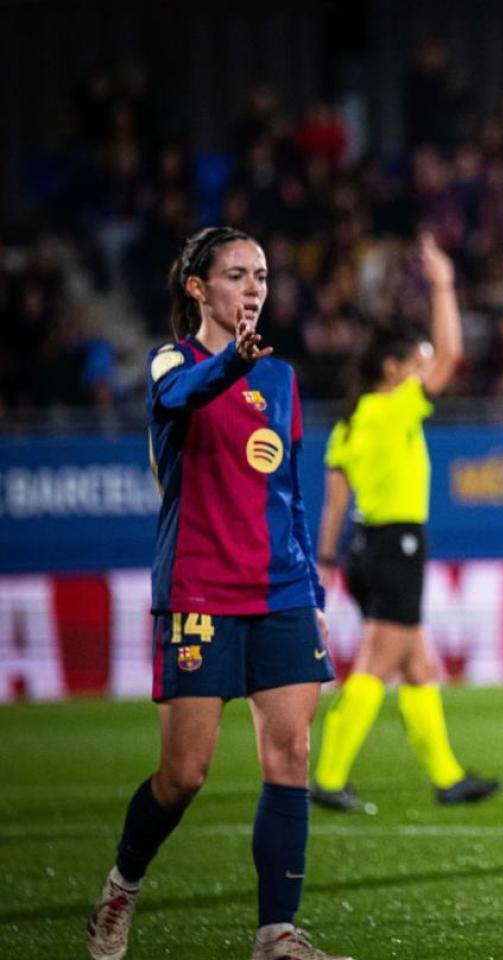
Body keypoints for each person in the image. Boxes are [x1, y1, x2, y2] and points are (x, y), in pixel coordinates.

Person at [85, 227, 347, 960]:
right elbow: (181, 393)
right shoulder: (175, 360)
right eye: (237, 274)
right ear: (198, 288)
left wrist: (315, 588)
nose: (255, 288)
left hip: (282, 591)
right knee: (184, 775)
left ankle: (277, 935)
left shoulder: (280, 378)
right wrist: (232, 359)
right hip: (200, 588)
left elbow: (290, 494)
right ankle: (121, 886)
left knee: (291, 753)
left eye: (262, 275)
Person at [310, 234, 501, 813]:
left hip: (365, 549)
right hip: (396, 545)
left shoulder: (349, 422)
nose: (422, 368)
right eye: (412, 362)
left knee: (417, 663)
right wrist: (443, 284)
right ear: (392, 369)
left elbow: (334, 504)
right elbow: (449, 359)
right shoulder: (394, 406)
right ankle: (328, 775)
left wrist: (325, 560)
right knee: (377, 662)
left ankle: (447, 777)